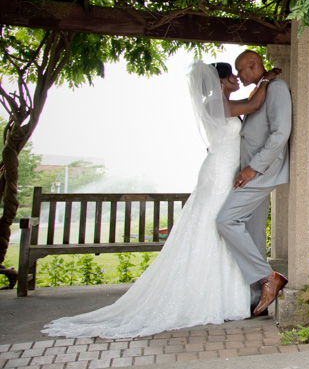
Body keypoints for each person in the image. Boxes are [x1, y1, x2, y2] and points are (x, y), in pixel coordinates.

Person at [42, 61, 279, 339]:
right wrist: (268, 79)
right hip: (218, 174)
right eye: (232, 76)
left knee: (221, 228)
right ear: (221, 80)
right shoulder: (217, 104)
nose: (238, 79)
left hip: (226, 169)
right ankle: (220, 294)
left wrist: (262, 84)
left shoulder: (222, 103)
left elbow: (249, 103)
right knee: (214, 227)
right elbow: (253, 106)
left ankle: (227, 294)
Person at [217, 50, 291, 316]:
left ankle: (268, 277)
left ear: (253, 64)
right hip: (250, 173)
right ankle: (255, 299)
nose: (238, 76)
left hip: (261, 173)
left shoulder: (277, 88)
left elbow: (281, 132)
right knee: (254, 233)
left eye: (241, 70)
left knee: (225, 220)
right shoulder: (261, 89)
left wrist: (253, 168)